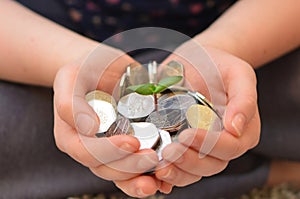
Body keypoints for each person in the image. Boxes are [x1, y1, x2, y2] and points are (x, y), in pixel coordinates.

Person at [0, 0, 299, 198]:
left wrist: (225, 47)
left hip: (249, 34)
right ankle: (251, 167)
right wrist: (74, 62)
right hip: (43, 40)